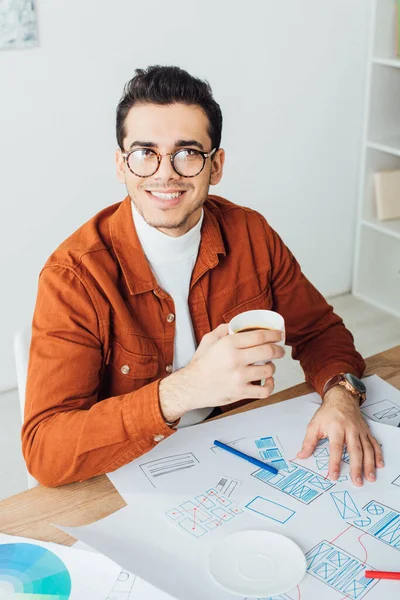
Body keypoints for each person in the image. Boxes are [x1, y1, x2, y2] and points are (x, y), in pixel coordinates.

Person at [22, 65, 383, 488]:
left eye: (188, 153)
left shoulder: (252, 234)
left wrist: (342, 395)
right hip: (125, 470)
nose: (165, 173)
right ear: (121, 165)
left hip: (229, 451)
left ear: (217, 165)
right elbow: (45, 450)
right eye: (144, 153)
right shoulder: (74, 275)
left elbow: (320, 331)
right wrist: (182, 391)